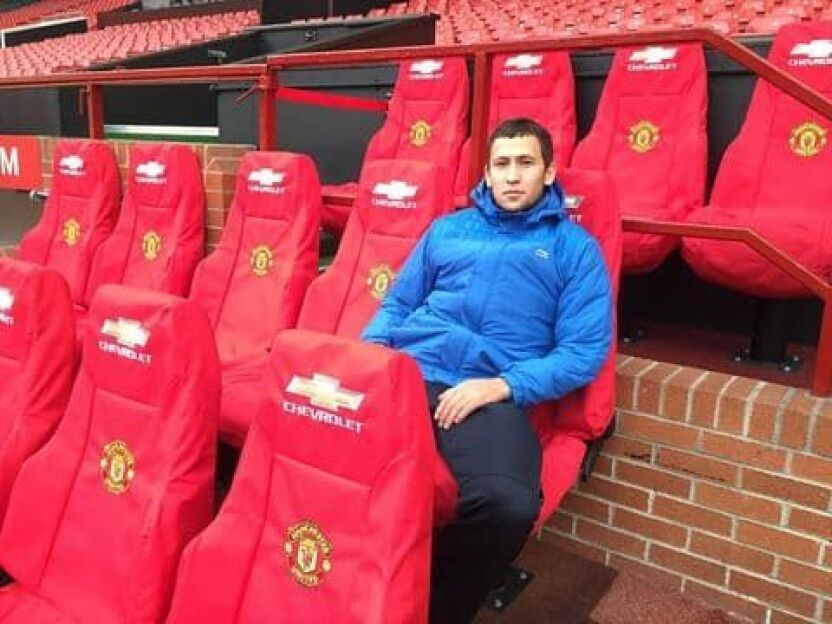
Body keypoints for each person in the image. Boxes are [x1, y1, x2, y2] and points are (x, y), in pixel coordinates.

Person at [362, 117, 613, 623]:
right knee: (309, 435)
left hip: (487, 393)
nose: (513, 175)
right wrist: (369, 360)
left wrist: (502, 386)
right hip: (408, 373)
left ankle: (428, 606)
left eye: (525, 163)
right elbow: (398, 304)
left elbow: (583, 351)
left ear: (549, 172)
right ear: (488, 173)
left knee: (508, 506)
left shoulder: (574, 249)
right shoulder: (447, 230)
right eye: (502, 164)